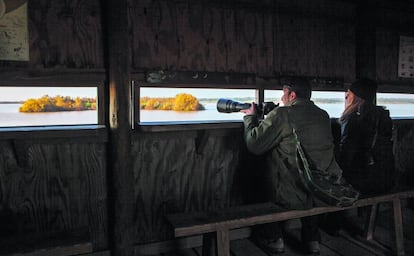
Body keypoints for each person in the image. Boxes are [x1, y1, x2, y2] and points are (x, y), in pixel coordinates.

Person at [241, 77, 355, 254]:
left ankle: (274, 238)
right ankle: (312, 240)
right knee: (308, 171)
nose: (283, 97)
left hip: (290, 194)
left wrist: (250, 118)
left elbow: (254, 145)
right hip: (321, 190)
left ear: (291, 94)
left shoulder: (282, 114)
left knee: (263, 177)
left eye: (284, 94)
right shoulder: (323, 115)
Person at [338, 78, 394, 196]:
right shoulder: (383, 116)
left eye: (349, 94)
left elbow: (348, 154)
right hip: (386, 177)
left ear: (356, 97)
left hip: (365, 180)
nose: (346, 97)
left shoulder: (354, 119)